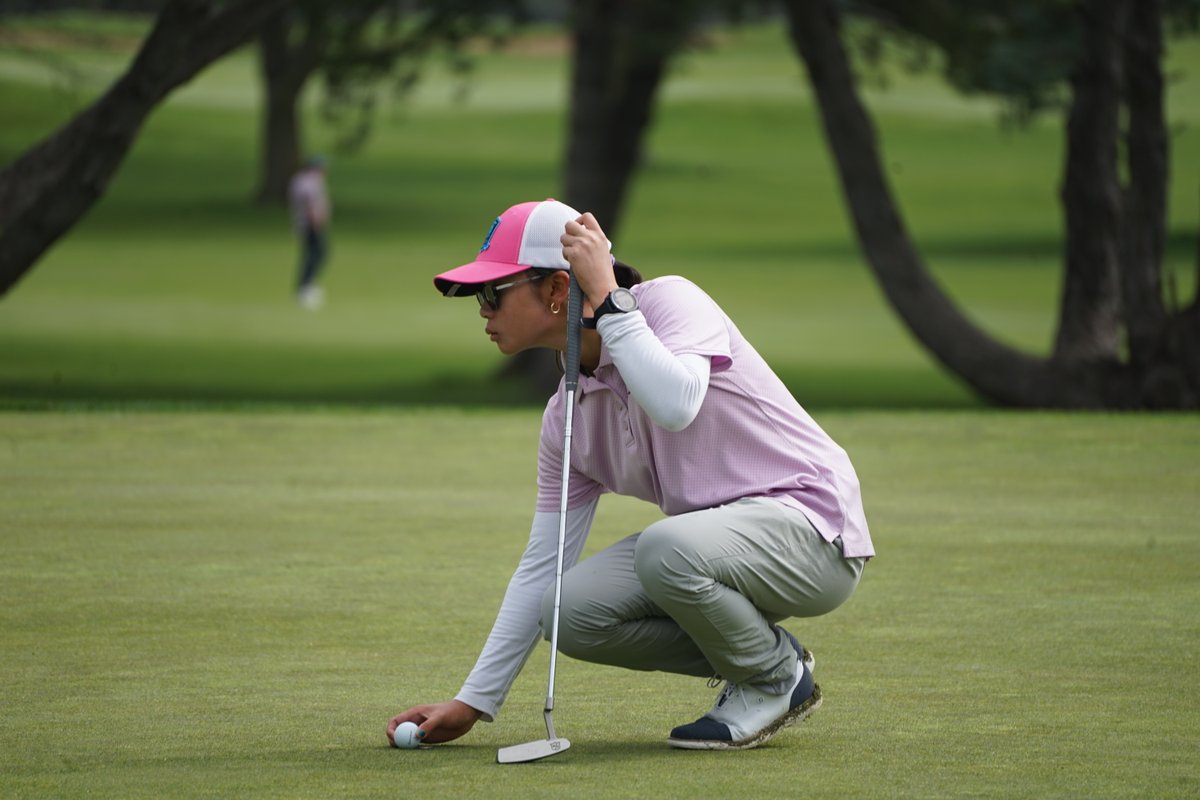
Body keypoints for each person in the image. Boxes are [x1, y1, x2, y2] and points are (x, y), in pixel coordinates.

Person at [387, 199, 874, 751]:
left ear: (556, 291)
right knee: (566, 609)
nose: (483, 309)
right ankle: (773, 661)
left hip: (816, 534)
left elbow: (676, 402)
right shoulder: (566, 418)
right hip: (721, 554)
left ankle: (770, 681)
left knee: (665, 548)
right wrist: (474, 700)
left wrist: (606, 296)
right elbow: (543, 563)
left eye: (493, 292)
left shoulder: (671, 302)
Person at [288, 155, 331, 309]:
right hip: (311, 225)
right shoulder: (309, 182)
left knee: (315, 254)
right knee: (317, 254)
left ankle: (306, 285)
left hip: (308, 224)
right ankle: (305, 287)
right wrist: (316, 220)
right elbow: (310, 203)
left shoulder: (303, 180)